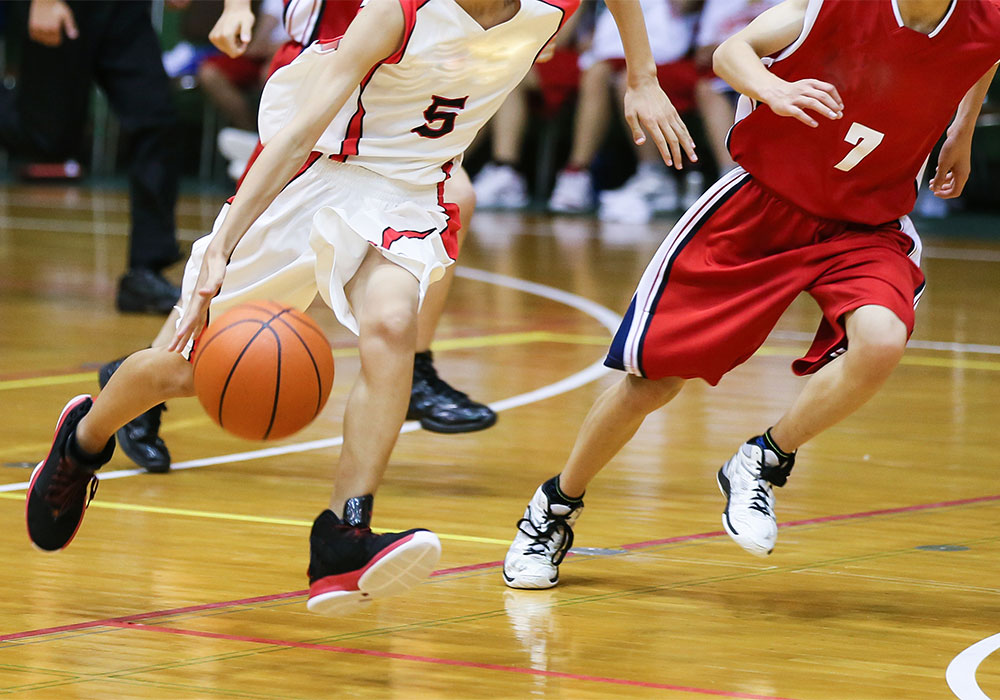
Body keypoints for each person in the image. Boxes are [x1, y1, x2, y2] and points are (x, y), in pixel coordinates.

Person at [26, 0, 696, 615]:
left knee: (393, 321)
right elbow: (289, 138)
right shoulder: (396, 13)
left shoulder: (549, 8)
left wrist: (642, 77)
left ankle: (342, 536)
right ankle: (85, 440)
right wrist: (217, 254)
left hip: (407, 193)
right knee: (183, 369)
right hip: (315, 171)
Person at [503, 0, 1000, 589]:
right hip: (761, 206)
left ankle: (763, 459)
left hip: (864, 224)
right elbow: (730, 53)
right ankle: (554, 508)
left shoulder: (984, 16)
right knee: (653, 382)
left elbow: (983, 53)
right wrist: (773, 89)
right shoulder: (834, 6)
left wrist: (963, 126)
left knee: (882, 341)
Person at [100, 0, 499, 474]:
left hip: (403, 74)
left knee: (458, 196)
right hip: (323, 67)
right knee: (240, 262)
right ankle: (146, 379)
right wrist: (236, 7)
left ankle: (416, 368)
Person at [0, 0, 183, 314]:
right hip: (63, 5)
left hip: (122, 10)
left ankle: (145, 271)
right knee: (46, 141)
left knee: (158, 122)